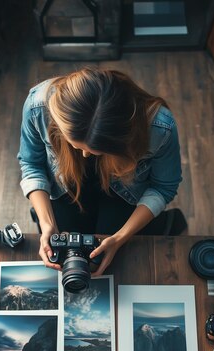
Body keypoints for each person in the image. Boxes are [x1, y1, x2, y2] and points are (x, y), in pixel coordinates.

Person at [17, 68, 182, 275]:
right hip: (64, 188)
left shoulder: (159, 128)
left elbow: (163, 187)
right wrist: (46, 222)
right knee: (67, 251)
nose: (86, 156)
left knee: (109, 260)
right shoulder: (38, 107)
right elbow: (32, 165)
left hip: (124, 193)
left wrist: (120, 238)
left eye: (97, 151)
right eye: (77, 146)